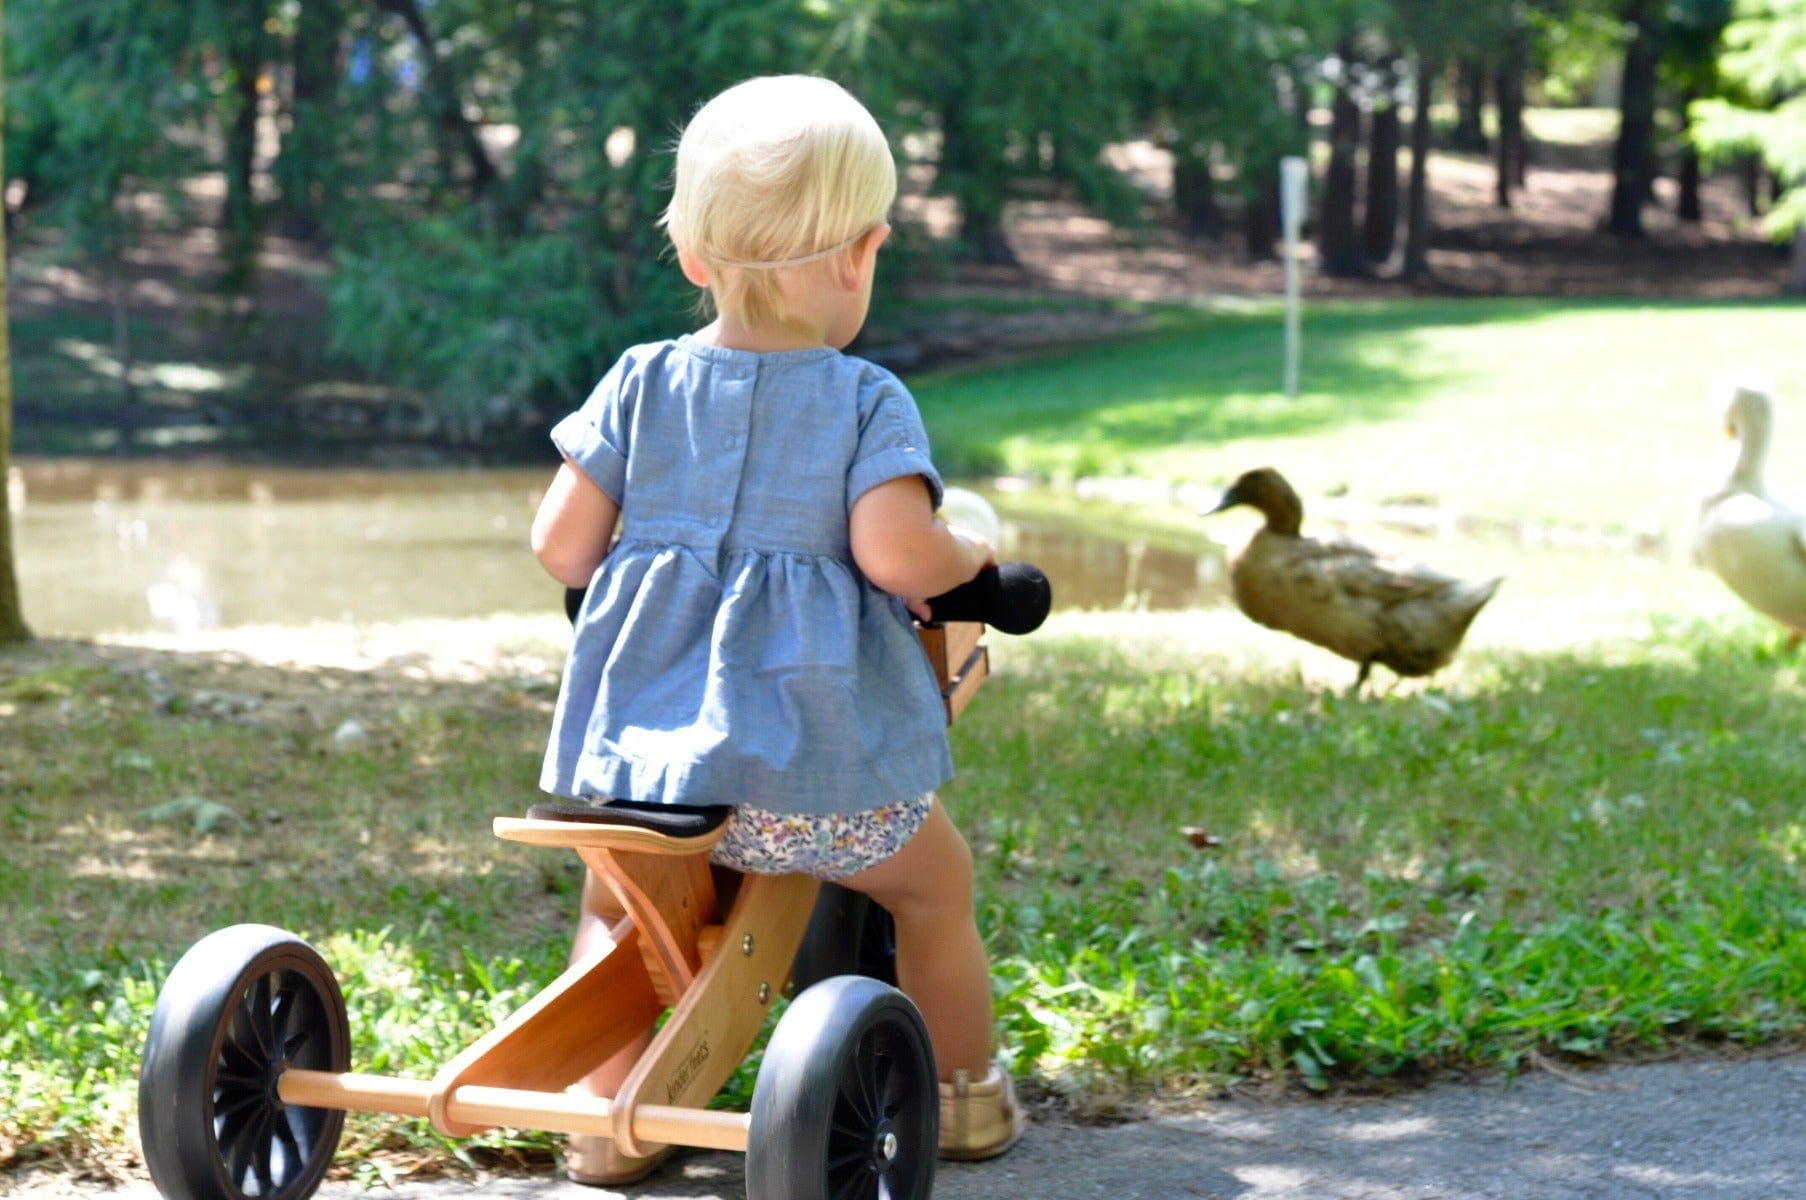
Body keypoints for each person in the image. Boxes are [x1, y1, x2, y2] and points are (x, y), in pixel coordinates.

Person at [529, 73, 1024, 1187]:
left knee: (618, 904)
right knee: (935, 887)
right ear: (861, 255)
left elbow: (561, 548)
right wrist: (974, 564)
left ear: (695, 258)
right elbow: (899, 555)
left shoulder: (636, 383)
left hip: (634, 781)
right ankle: (965, 1099)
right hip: (814, 787)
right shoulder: (864, 400)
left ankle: (602, 1118)